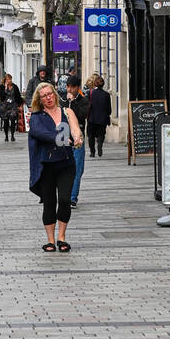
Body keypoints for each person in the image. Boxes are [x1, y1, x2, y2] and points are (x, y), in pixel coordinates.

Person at [28, 81, 82, 252]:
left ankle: (62, 237)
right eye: (44, 96)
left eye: (50, 94)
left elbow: (75, 129)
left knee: (65, 200)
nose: (48, 98)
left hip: (66, 163)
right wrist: (60, 138)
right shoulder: (37, 117)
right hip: (46, 166)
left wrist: (77, 137)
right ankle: (50, 240)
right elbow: (40, 133)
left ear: (55, 94)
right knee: (49, 203)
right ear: (40, 99)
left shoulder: (67, 111)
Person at [63, 77, 89, 205]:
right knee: (62, 168)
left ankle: (72, 197)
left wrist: (73, 102)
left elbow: (81, 115)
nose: (69, 89)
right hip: (63, 138)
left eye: (72, 87)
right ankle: (64, 194)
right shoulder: (62, 100)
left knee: (77, 168)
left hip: (78, 138)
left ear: (77, 87)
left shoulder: (83, 101)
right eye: (68, 86)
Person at [86, 74, 112, 158]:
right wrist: (108, 114)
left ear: (95, 84)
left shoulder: (91, 93)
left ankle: (92, 152)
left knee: (91, 135)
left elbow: (88, 105)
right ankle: (100, 144)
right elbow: (109, 109)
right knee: (101, 134)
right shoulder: (106, 95)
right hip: (102, 118)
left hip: (92, 118)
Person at [0, 73, 21, 142]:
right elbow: (1, 95)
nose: (9, 80)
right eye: (7, 79)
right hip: (4, 106)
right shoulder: (2, 87)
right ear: (5, 80)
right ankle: (6, 136)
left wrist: (20, 104)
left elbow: (18, 96)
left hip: (13, 106)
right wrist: (5, 87)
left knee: (13, 119)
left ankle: (12, 136)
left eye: (10, 79)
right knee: (6, 121)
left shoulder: (15, 86)